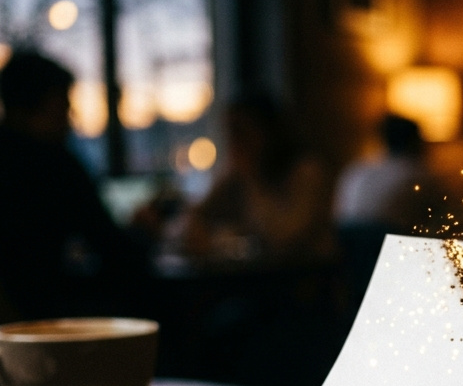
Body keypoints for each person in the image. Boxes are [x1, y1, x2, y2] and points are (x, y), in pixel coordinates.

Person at [0, 50, 149, 318]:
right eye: (65, 101)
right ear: (49, 103)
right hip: (38, 320)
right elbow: (112, 249)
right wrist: (143, 231)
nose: (71, 113)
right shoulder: (54, 164)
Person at [181, 95, 333, 261]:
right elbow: (199, 213)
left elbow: (284, 240)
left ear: (267, 131)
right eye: (231, 133)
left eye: (241, 132)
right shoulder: (238, 175)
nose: (235, 142)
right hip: (257, 278)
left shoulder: (306, 172)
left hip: (306, 277)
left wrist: (252, 178)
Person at [332, 113, 434, 322]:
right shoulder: (419, 175)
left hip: (345, 271)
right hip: (390, 270)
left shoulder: (356, 170)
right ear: (417, 141)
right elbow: (441, 223)